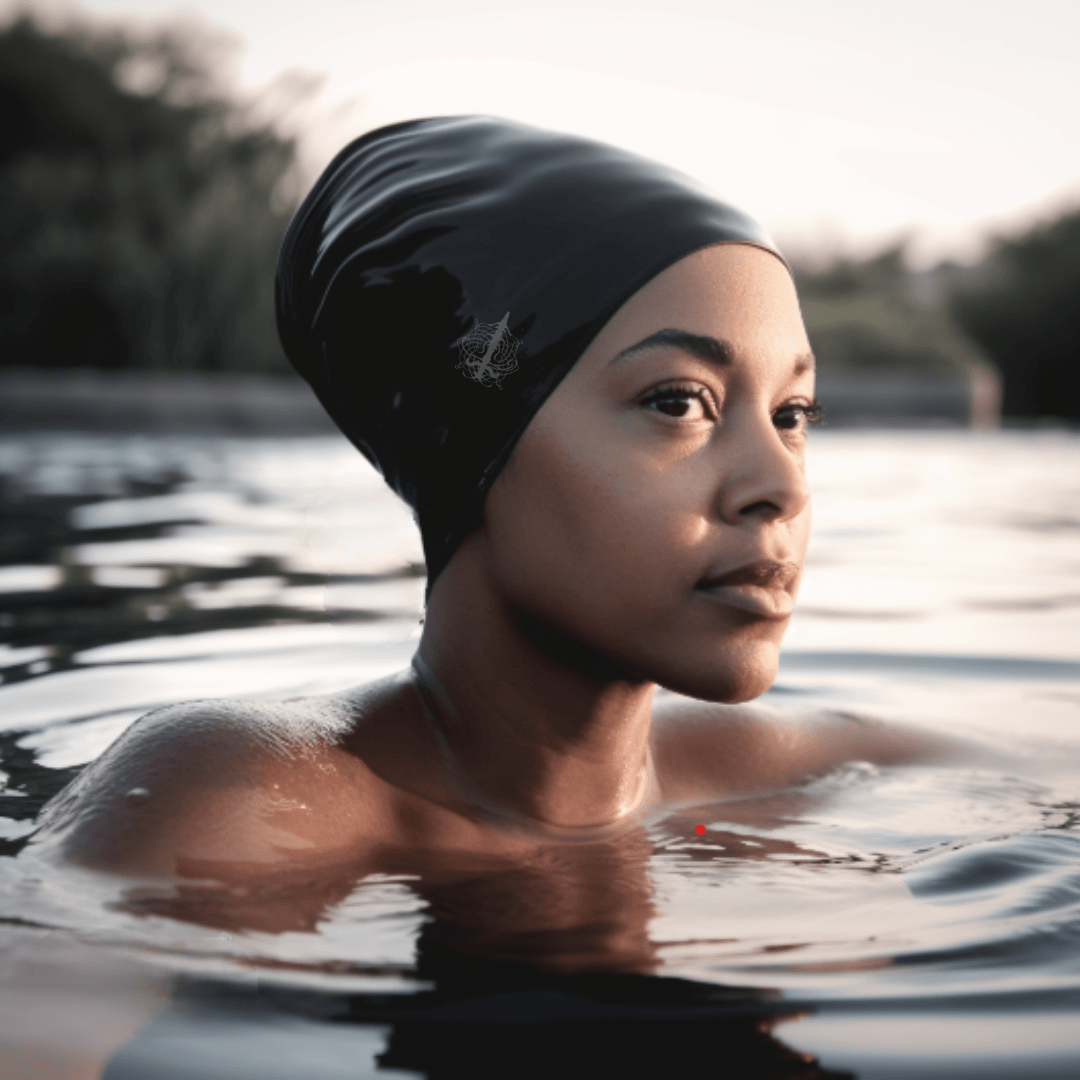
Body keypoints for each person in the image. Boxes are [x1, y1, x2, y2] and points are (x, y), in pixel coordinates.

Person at [33, 117, 941, 888]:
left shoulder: (803, 777)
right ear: (474, 441)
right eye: (677, 402)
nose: (780, 485)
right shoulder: (246, 803)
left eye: (792, 414)